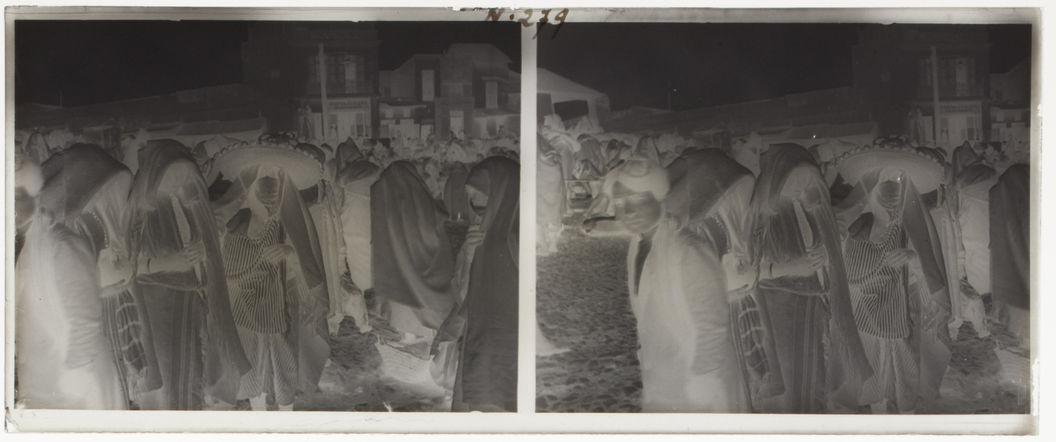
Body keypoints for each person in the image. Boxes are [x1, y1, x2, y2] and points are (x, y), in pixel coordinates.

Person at [611, 155, 746, 412]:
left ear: (659, 199)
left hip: (696, 385)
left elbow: (711, 324)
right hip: (662, 379)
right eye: (620, 203)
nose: (628, 211)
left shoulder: (688, 250)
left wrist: (703, 378)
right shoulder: (638, 245)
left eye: (639, 200)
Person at [748, 143, 872, 413]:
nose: (802, 185)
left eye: (807, 179)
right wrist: (790, 267)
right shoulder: (762, 214)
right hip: (775, 309)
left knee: (811, 375)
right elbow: (749, 270)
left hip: (810, 306)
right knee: (786, 379)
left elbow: (837, 226)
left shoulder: (808, 205)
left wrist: (824, 254)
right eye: (795, 179)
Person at [128, 140, 250, 410]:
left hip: (190, 302)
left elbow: (215, 223)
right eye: (174, 176)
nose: (181, 182)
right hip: (155, 304)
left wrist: (201, 253)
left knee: (189, 374)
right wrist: (165, 262)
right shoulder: (140, 208)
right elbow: (127, 264)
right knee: (165, 379)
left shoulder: (189, 201)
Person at [16, 144, 140, 409]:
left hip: (78, 382)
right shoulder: (34, 243)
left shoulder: (63, 242)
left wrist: (73, 384)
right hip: (49, 377)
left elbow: (84, 321)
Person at [835, 148, 952, 414]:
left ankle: (905, 416)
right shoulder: (858, 226)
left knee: (904, 369)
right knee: (873, 369)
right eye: (882, 183)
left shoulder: (912, 227)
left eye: (897, 182)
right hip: (864, 316)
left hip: (902, 314)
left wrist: (912, 257)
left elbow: (930, 267)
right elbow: (843, 268)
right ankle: (878, 414)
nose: (889, 191)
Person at [665, 148, 783, 410]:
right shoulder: (696, 234)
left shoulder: (725, 224)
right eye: (729, 192)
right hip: (716, 321)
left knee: (739, 389)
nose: (737, 198)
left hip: (735, 315)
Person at [212, 152, 331, 411]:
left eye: (274, 200)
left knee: (284, 359)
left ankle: (285, 418)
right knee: (251, 361)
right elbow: (220, 266)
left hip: (282, 303)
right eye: (262, 198)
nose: (269, 206)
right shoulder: (235, 224)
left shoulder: (289, 223)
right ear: (250, 193)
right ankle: (259, 417)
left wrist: (289, 253)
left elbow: (308, 263)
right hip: (243, 306)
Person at [436, 156, 520, 411]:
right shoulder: (479, 227)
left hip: (507, 335)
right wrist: (470, 254)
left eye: (481, 194)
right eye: (470, 195)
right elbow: (463, 288)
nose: (475, 202)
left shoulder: (518, 233)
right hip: (481, 328)